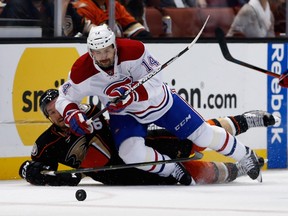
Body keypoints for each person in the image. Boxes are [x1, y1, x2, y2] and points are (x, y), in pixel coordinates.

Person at [55, 24, 263, 186]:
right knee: (130, 153)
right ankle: (172, 170)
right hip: (126, 114)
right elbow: (64, 98)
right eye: (98, 52)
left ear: (114, 45)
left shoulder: (134, 50)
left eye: (107, 50)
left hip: (160, 103)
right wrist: (73, 114)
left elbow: (156, 81)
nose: (104, 56)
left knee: (203, 135)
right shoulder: (81, 71)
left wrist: (132, 96)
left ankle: (245, 154)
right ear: (91, 51)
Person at [19, 89, 273, 186]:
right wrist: (31, 172)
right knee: (194, 174)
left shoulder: (89, 113)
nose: (58, 114)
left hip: (140, 147)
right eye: (51, 113)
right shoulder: (47, 143)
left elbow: (103, 137)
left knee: (194, 136)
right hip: (118, 177)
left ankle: (244, 120)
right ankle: (237, 170)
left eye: (59, 108)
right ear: (47, 117)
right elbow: (37, 168)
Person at [71, 0, 152, 38]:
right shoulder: (82, 7)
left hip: (117, 48)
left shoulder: (114, 4)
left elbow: (133, 27)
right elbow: (92, 36)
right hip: (98, 51)